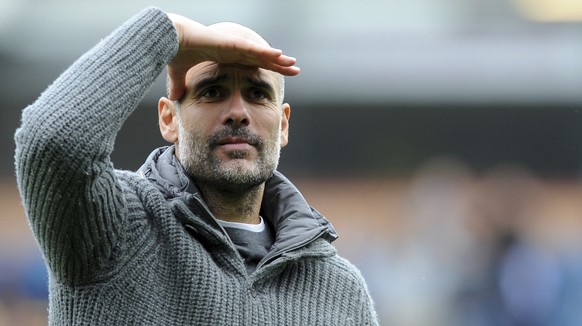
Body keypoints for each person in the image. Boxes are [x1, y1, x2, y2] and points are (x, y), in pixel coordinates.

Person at [14, 7, 379, 325]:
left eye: (257, 94)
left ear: (283, 124)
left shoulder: (339, 290)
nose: (238, 112)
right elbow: (53, 139)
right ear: (169, 119)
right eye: (213, 91)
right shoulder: (113, 228)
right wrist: (170, 33)